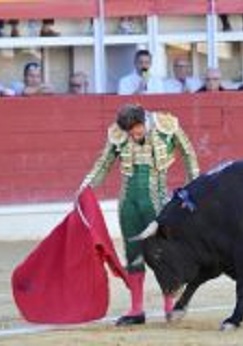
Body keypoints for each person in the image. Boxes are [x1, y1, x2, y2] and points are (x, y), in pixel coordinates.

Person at [78, 103, 200, 326]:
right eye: (130, 131)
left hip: (157, 202)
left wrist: (193, 187)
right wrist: (85, 187)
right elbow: (103, 163)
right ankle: (136, 309)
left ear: (145, 120)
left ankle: (169, 306)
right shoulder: (119, 133)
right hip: (128, 202)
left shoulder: (166, 126)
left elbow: (189, 154)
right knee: (133, 251)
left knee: (162, 252)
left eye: (137, 128)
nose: (134, 134)